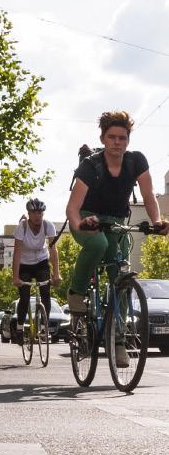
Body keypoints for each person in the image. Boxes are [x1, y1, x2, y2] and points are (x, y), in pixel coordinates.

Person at [65, 111, 169, 363]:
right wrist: (81, 224)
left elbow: (148, 193)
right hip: (88, 219)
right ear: (102, 138)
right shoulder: (91, 165)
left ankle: (118, 340)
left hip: (116, 222)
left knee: (121, 277)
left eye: (122, 137)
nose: (117, 142)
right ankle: (76, 293)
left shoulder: (136, 162)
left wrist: (156, 221)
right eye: (111, 137)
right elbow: (72, 208)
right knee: (98, 243)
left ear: (128, 140)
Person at [12, 198, 60, 338]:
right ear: (29, 214)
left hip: (41, 261)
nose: (37, 216)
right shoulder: (22, 227)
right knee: (25, 297)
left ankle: (45, 328)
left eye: (40, 212)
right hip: (24, 264)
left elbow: (53, 250)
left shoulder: (48, 225)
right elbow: (17, 253)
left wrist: (56, 274)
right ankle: (20, 328)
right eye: (34, 213)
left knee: (46, 293)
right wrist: (15, 277)